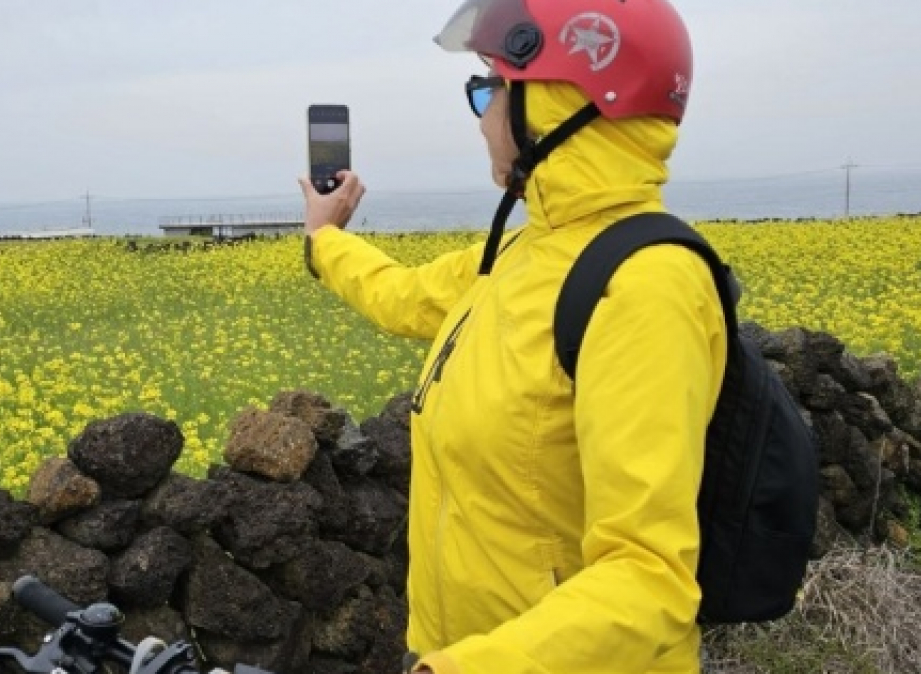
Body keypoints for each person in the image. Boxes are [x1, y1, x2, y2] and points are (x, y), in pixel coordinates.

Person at [297, 0, 724, 672]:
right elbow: (404, 295)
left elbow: (648, 576)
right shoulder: (526, 255)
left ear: (558, 105)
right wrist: (325, 240)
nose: (482, 120)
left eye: (488, 90)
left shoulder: (645, 286)